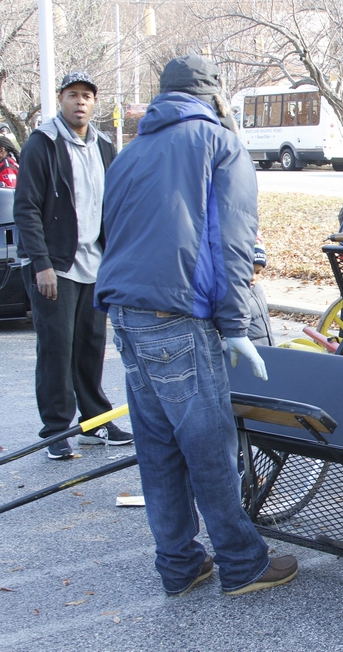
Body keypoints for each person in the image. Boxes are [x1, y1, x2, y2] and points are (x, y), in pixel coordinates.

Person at [95, 55, 296, 597]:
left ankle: (180, 564)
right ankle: (240, 560)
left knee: (158, 447)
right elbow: (230, 246)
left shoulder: (130, 152)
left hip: (127, 315)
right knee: (209, 446)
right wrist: (234, 325)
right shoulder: (219, 144)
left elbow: (105, 238)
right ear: (213, 96)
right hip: (178, 318)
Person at [12, 71, 133, 459]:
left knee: (90, 347)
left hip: (95, 264)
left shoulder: (103, 146)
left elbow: (114, 205)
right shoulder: (42, 143)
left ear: (94, 103)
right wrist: (41, 264)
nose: (80, 102)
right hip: (55, 266)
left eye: (87, 96)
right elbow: (26, 208)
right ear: (60, 100)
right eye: (72, 95)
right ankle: (55, 431)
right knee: (56, 349)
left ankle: (95, 423)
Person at [248, 235, 274, 346]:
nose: (253, 277)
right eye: (248, 271)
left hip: (265, 350)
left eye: (258, 272)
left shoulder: (257, 289)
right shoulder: (234, 294)